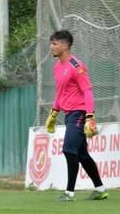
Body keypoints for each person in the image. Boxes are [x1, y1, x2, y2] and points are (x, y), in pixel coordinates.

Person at [45, 29, 108, 201]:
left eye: (54, 43)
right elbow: (60, 92)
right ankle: (101, 189)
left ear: (65, 46)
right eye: (51, 43)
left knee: (68, 149)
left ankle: (69, 193)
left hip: (79, 113)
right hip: (68, 115)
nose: (51, 47)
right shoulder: (57, 67)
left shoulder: (76, 66)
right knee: (81, 155)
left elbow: (87, 91)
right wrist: (53, 113)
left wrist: (89, 116)